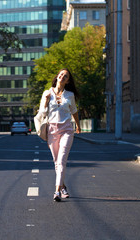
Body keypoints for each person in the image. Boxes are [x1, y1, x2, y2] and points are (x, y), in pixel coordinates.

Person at [38, 68, 81, 202]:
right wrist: (45, 101)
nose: (62, 76)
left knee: (62, 160)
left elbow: (74, 111)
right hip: (52, 130)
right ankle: (62, 186)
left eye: (66, 76)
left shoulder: (69, 95)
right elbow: (42, 113)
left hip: (67, 129)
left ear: (67, 81)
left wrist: (78, 126)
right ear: (57, 76)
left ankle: (56, 191)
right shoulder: (47, 93)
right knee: (57, 162)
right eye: (61, 74)